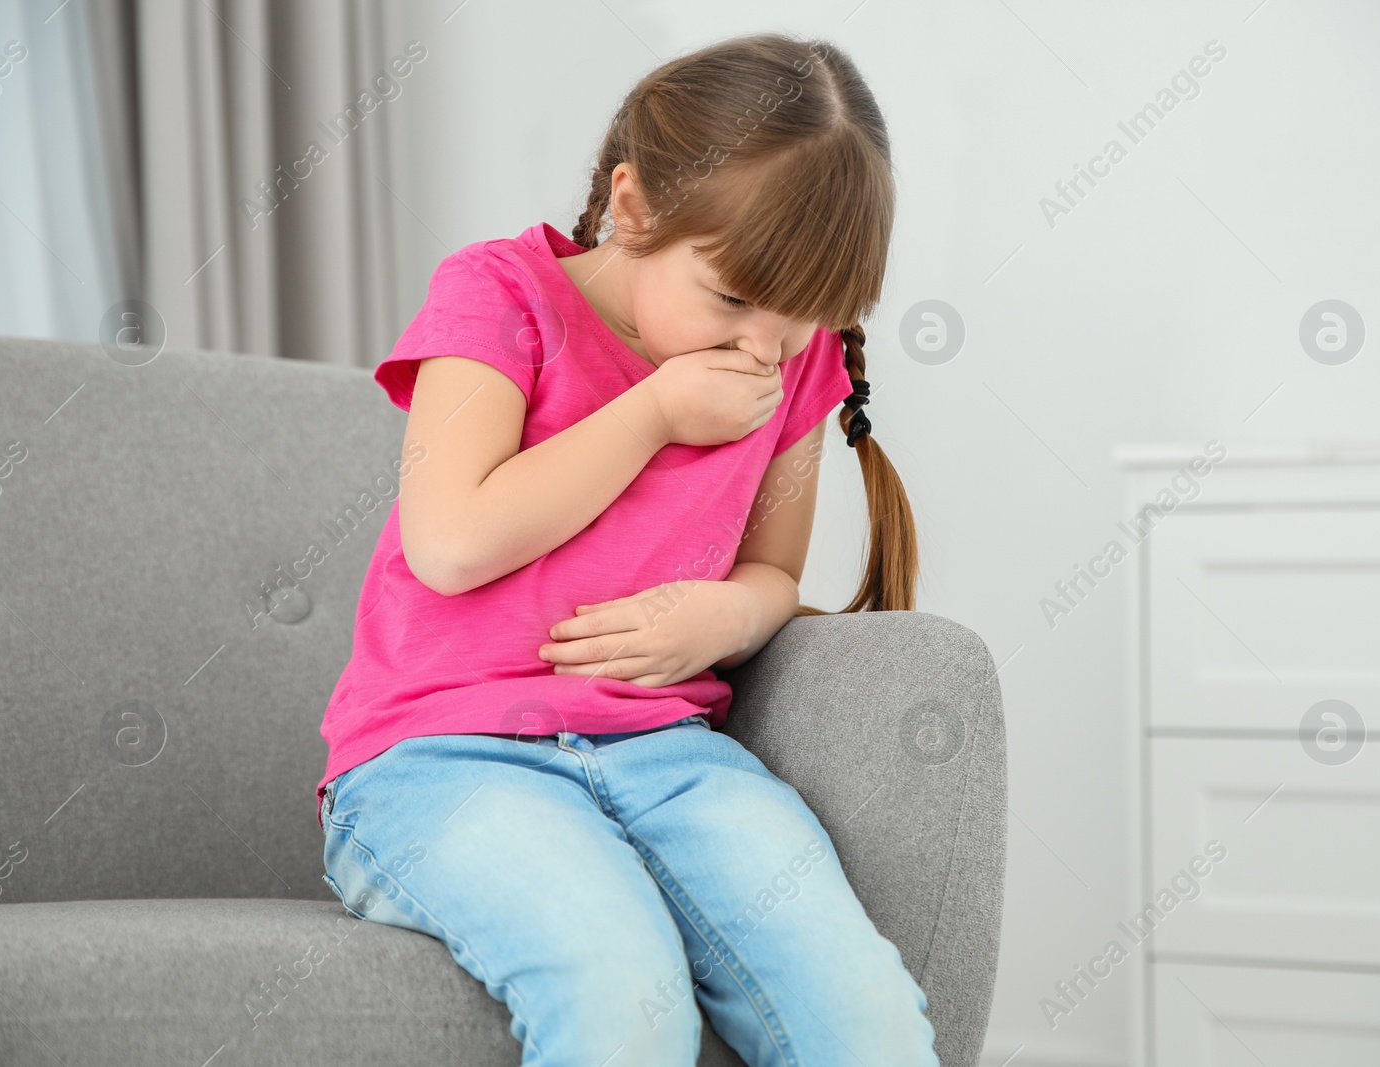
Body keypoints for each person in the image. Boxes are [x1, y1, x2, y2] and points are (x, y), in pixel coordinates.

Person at [316, 30, 929, 1066]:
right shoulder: (498, 294)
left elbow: (774, 572)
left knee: (861, 1012)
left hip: (670, 758)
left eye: (796, 324)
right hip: (440, 759)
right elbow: (453, 541)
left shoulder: (790, 358)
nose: (760, 350)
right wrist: (652, 413)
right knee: (622, 994)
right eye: (732, 300)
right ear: (634, 205)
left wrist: (724, 615)